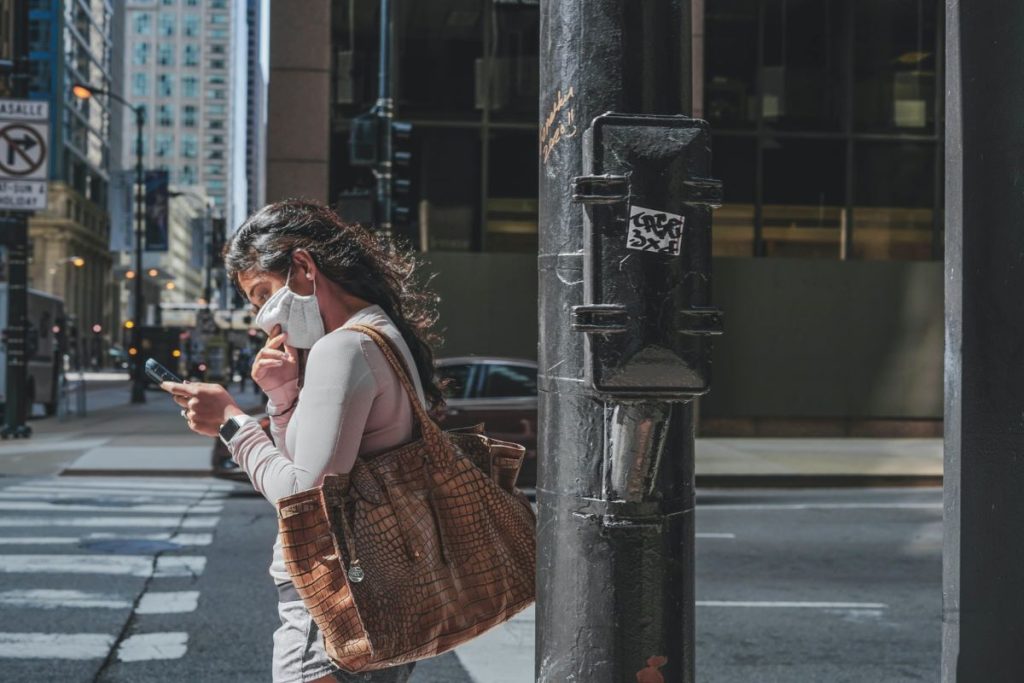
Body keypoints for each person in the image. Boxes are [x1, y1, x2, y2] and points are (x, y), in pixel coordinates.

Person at [159, 199, 446, 683]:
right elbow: (317, 463)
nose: (265, 320)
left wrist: (231, 423)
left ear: (303, 267)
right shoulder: (378, 333)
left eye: (263, 293)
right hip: (382, 593)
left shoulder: (344, 348)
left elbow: (305, 499)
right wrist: (282, 396)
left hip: (330, 603)